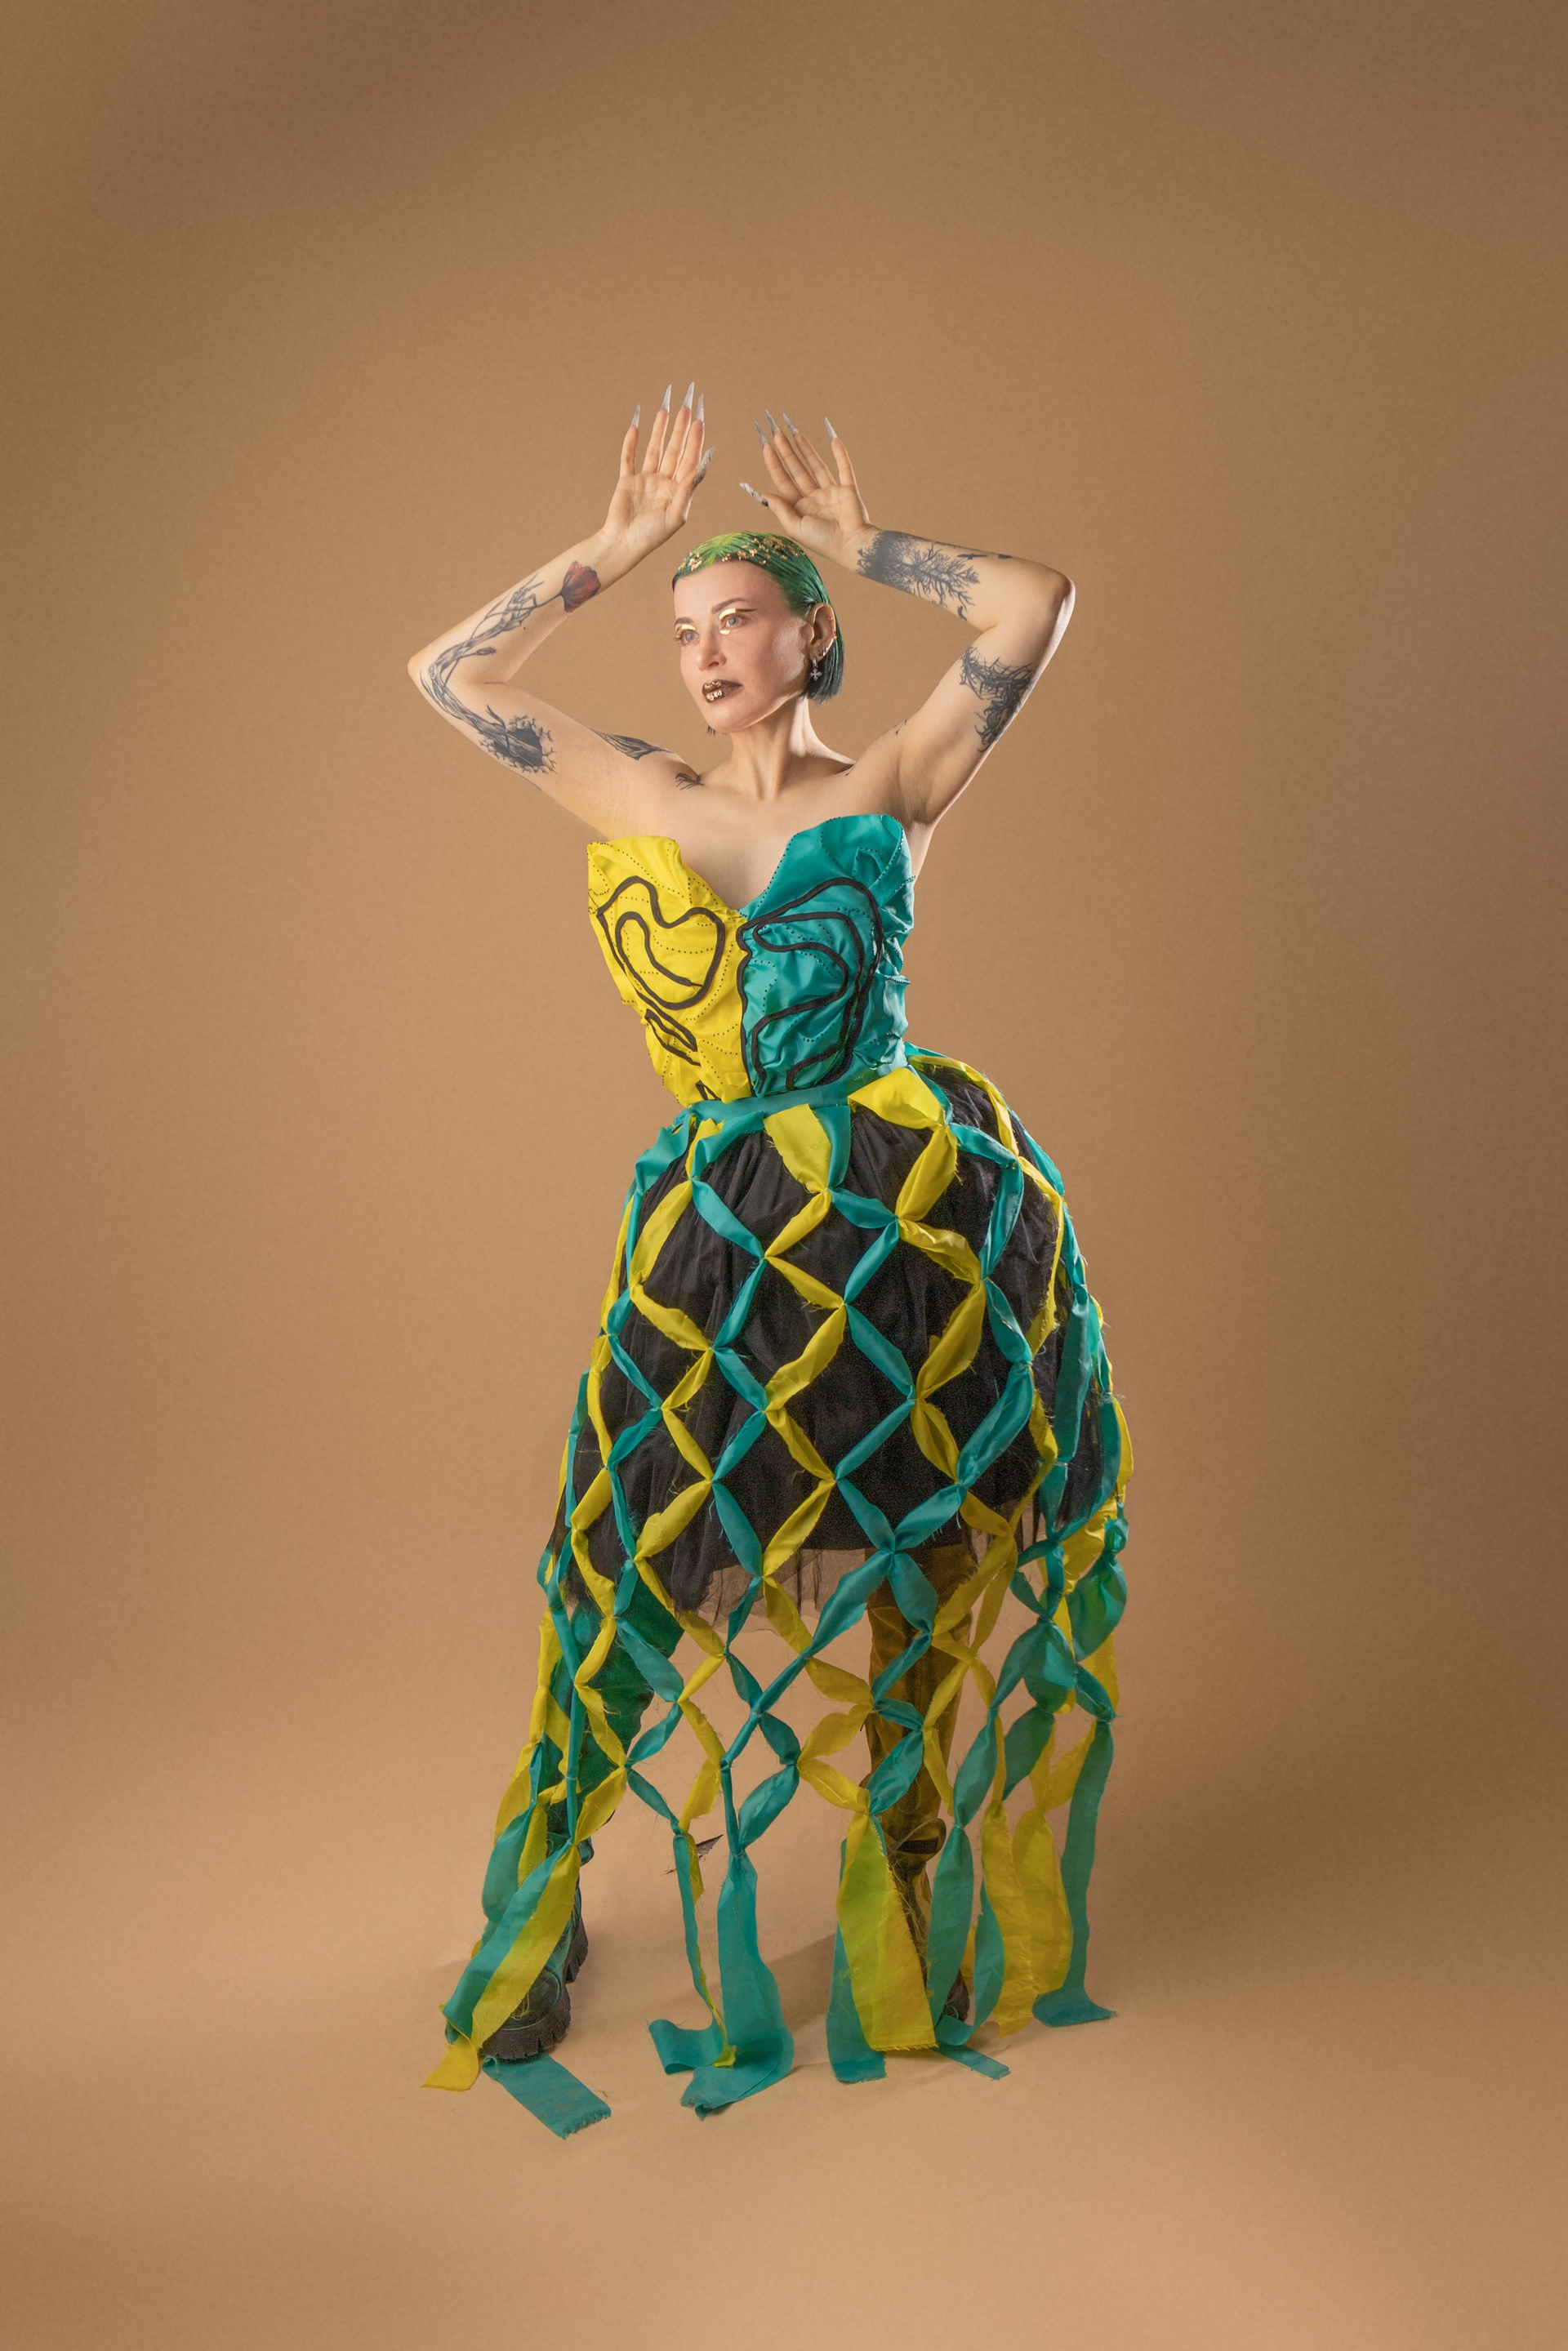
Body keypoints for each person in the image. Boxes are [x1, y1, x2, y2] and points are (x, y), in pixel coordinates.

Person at [409, 385, 1131, 2135]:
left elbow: (1033, 602)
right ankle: (542, 1908)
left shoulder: (893, 785)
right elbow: (450, 676)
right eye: (684, 632)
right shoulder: (634, 788)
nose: (707, 653)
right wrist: (612, 551)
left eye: (739, 618)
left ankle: (898, 1879)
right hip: (721, 1244)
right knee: (633, 1567)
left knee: (923, 1554)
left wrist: (860, 543)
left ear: (811, 639)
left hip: (903, 1217)